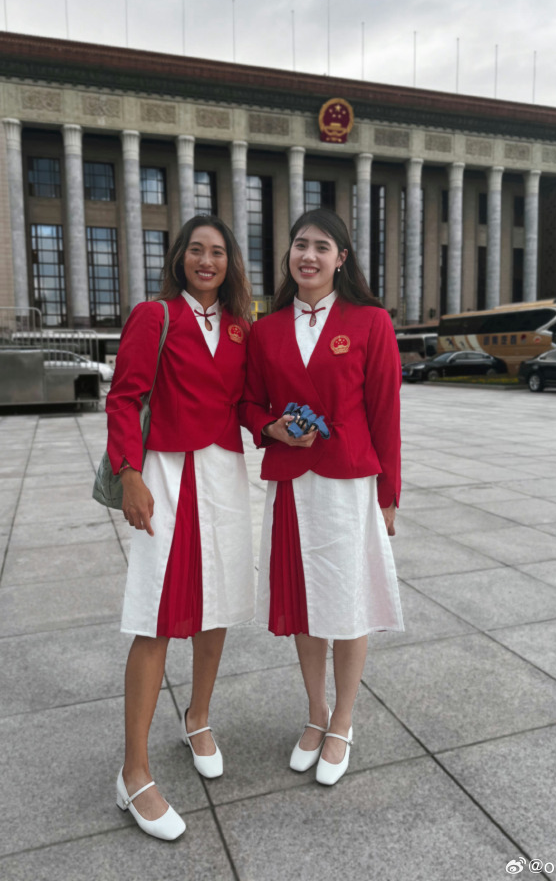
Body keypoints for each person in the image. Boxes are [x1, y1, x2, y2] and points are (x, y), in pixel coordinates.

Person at [240, 208, 404, 787]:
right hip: (292, 482)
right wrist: (272, 428)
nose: (308, 256)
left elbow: (386, 413)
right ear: (289, 255)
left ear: (342, 258)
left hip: (347, 481)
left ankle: (343, 721)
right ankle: (313, 715)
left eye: (322, 246)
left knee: (347, 601)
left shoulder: (369, 322)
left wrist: (389, 495)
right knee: (305, 603)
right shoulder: (266, 329)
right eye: (299, 245)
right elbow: (249, 404)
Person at [106, 215, 254, 841]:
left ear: (230, 263)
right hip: (165, 476)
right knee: (157, 616)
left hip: (222, 475)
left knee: (215, 607)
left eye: (217, 252)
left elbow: (243, 404)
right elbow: (122, 397)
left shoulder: (242, 328)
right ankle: (133, 771)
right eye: (196, 250)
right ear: (179, 258)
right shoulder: (154, 316)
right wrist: (128, 473)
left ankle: (197, 717)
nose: (206, 260)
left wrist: (277, 426)